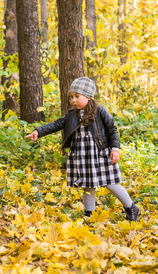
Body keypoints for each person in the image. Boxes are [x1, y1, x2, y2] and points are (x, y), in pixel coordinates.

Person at [25, 77, 141, 222]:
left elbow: (112, 129)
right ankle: (89, 214)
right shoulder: (72, 114)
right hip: (82, 155)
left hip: (100, 153)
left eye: (77, 96)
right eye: (71, 97)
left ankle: (131, 208)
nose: (73, 100)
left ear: (88, 97)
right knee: (86, 183)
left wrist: (115, 149)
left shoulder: (100, 111)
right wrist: (39, 131)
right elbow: (57, 124)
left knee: (111, 183)